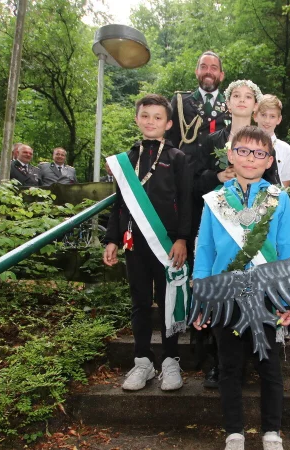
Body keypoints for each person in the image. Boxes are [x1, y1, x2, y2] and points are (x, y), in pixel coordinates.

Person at [192, 126, 290, 450]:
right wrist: (200, 298)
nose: (251, 158)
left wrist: (288, 298)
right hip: (225, 295)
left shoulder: (279, 199)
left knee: (269, 366)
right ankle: (234, 431)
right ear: (231, 155)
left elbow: (287, 248)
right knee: (230, 365)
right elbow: (205, 251)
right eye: (244, 151)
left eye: (259, 153)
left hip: (265, 294)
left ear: (269, 161)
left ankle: (272, 432)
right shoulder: (215, 200)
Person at [101, 94, 192, 393]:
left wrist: (182, 238)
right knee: (139, 303)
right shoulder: (126, 160)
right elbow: (119, 203)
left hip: (167, 246)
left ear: (168, 123)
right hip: (134, 245)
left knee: (169, 302)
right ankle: (143, 361)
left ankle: (170, 361)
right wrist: (112, 238)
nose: (151, 122)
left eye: (157, 117)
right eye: (145, 116)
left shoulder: (178, 158)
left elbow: (187, 201)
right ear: (137, 119)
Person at [192, 79, 279, 389]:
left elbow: (275, 184)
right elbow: (196, 178)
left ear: (257, 105)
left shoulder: (262, 142)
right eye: (236, 96)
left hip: (254, 227)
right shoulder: (210, 140)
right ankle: (218, 363)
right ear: (226, 103)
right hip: (218, 224)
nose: (242, 101)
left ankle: (255, 359)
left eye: (248, 96)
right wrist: (220, 177)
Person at [168, 51, 229, 153]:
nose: (208, 71)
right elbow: (170, 140)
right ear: (196, 72)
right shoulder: (180, 101)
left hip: (218, 168)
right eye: (203, 67)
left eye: (214, 68)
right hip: (185, 167)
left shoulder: (230, 106)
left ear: (221, 75)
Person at [254, 94, 290, 187]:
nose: (267, 121)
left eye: (272, 116)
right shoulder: (246, 144)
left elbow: (285, 184)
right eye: (263, 115)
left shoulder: (285, 149)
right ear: (255, 116)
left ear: (279, 119)